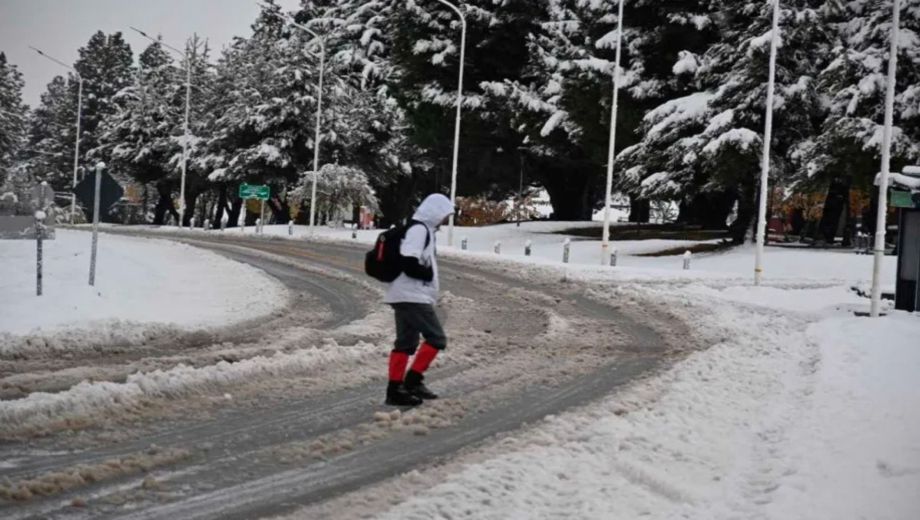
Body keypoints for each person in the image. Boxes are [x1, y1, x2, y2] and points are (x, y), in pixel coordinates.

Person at [383, 193, 455, 406]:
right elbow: (409, 260)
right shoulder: (418, 230)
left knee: (406, 343)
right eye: (444, 215)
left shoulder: (424, 231)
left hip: (407, 295)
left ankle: (395, 390)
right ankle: (412, 381)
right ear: (434, 212)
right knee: (436, 338)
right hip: (412, 296)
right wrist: (426, 275)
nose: (445, 220)